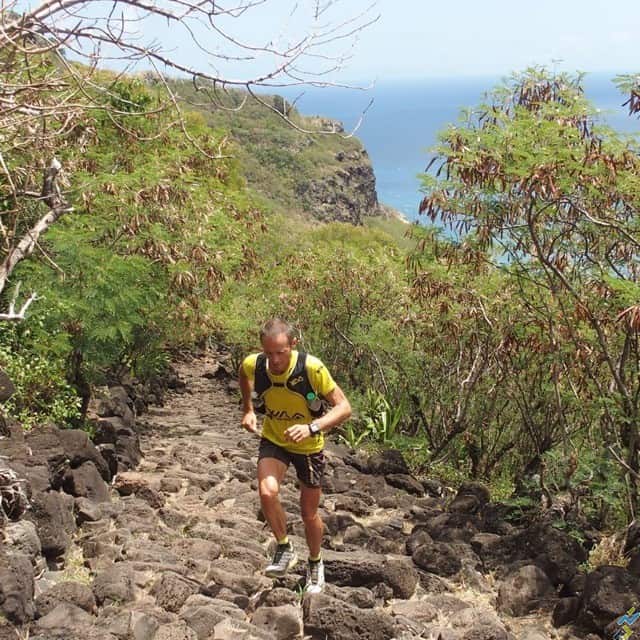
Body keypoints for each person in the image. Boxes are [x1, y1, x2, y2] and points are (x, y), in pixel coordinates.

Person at [239, 319, 351, 593]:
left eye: (281, 352)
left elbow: (344, 407)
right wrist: (248, 409)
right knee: (267, 492)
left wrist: (312, 427)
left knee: (308, 514)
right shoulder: (254, 364)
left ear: (293, 345)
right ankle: (285, 548)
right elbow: (243, 376)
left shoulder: (311, 368)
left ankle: (315, 562)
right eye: (269, 353)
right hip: (275, 438)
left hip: (309, 446)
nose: (275, 360)